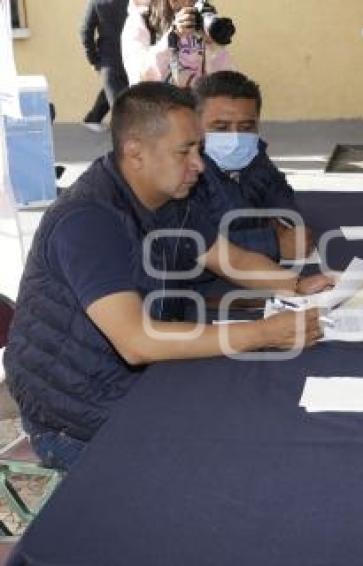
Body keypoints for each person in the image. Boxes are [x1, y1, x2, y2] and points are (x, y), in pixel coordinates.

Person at [2, 83, 331, 472]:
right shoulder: (88, 221)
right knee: (233, 459)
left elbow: (230, 258)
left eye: (198, 148)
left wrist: (293, 285)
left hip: (134, 379)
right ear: (135, 152)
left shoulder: (169, 198)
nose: (200, 164)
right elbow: (137, 342)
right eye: (185, 151)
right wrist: (263, 333)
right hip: (77, 416)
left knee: (262, 409)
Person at [191, 71, 313, 268]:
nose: (236, 138)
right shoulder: (186, 172)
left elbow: (280, 195)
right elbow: (188, 244)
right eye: (221, 128)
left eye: (246, 127)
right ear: (195, 126)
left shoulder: (255, 154)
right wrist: (274, 243)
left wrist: (286, 225)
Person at [122, 0, 234, 87]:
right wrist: (172, 37)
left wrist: (212, 47)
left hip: (195, 111)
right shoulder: (140, 22)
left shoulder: (203, 22)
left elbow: (224, 80)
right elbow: (139, 77)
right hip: (156, 112)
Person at [80, 0, 130, 132]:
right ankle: (93, 119)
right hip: (128, 57)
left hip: (111, 61)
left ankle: (93, 118)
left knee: (114, 90)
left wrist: (93, 59)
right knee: (122, 110)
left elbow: (85, 31)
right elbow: (85, 31)